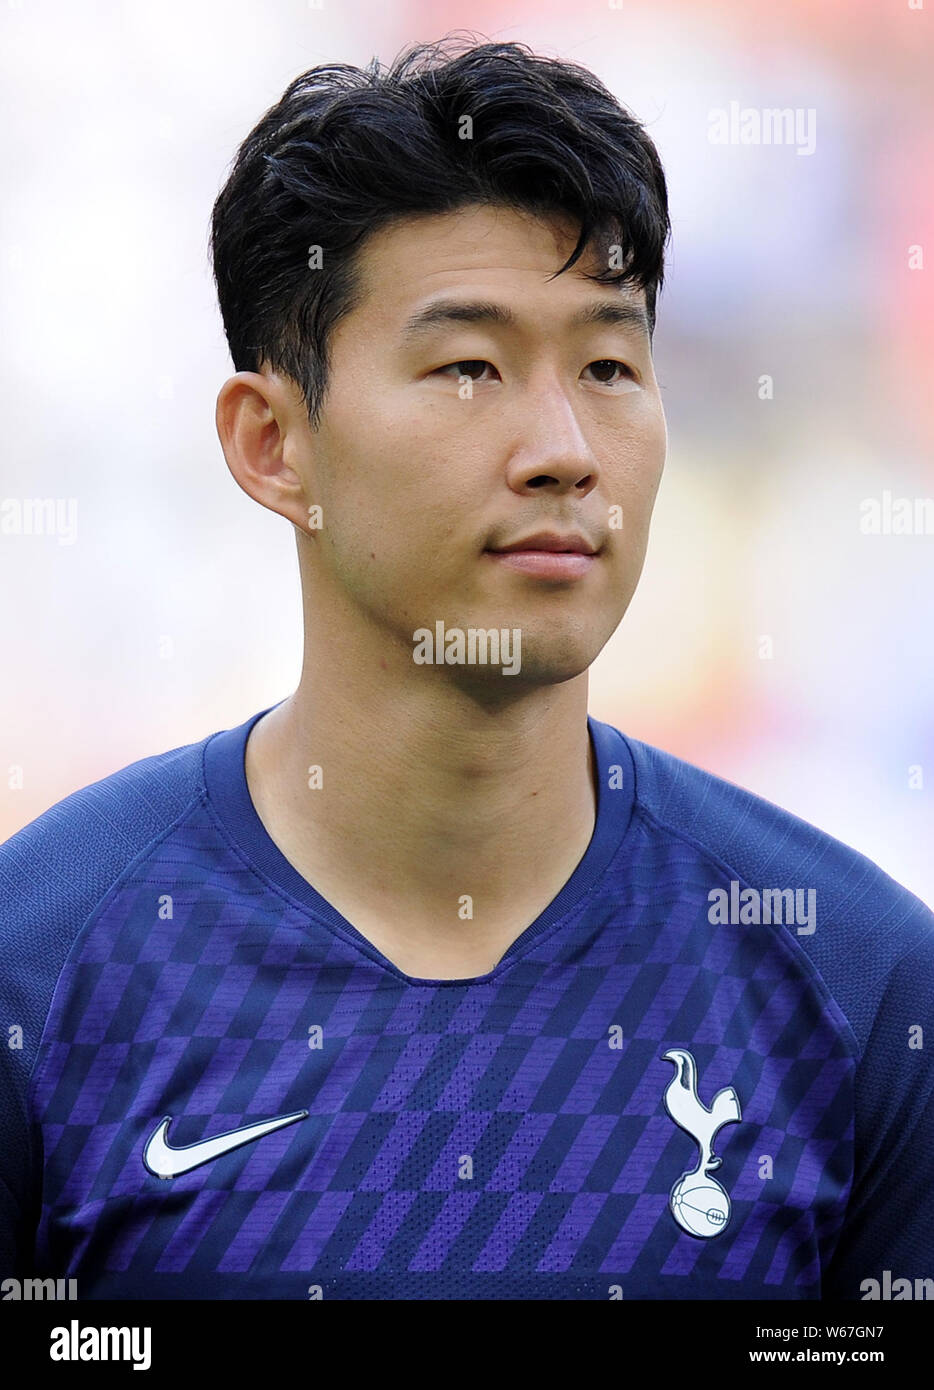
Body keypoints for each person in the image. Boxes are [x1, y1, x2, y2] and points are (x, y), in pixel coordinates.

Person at [1, 37, 931, 1302]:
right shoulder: (43, 966)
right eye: (467, 368)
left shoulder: (857, 981)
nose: (563, 450)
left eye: (609, 366)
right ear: (272, 442)